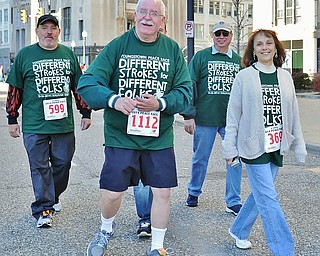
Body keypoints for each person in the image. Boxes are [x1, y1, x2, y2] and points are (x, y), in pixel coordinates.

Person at [77, 0, 192, 255]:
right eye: (142, 12)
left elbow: (185, 92)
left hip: (158, 138)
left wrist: (160, 103)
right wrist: (114, 100)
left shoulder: (172, 50)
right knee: (112, 194)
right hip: (122, 137)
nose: (147, 18)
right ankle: (105, 229)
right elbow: (87, 83)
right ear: (135, 16)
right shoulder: (119, 46)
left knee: (162, 193)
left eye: (154, 14)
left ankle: (157, 246)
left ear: (163, 20)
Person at [222, 29, 307, 255]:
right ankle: (283, 249)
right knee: (269, 198)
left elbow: (293, 113)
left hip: (276, 144)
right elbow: (233, 115)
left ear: (276, 47)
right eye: (259, 44)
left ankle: (239, 229)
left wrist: (299, 144)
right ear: (253, 50)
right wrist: (229, 147)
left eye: (268, 43)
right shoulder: (244, 76)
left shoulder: (285, 77)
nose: (264, 47)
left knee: (260, 193)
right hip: (253, 145)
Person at [5, 14, 92, 228]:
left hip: (63, 124)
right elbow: (15, 89)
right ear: (37, 31)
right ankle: (43, 208)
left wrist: (85, 112)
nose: (49, 32)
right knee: (39, 166)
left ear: (59, 32)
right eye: (45, 27)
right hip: (35, 124)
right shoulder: (26, 55)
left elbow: (77, 87)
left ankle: (53, 196)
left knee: (63, 163)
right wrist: (12, 117)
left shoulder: (68, 54)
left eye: (53, 28)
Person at [182, 20, 243, 215]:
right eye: (218, 34)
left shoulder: (238, 61)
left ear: (231, 36)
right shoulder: (201, 57)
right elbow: (190, 85)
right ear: (213, 36)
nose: (222, 37)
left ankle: (233, 200)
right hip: (205, 118)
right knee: (200, 158)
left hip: (231, 120)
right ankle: (193, 192)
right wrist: (189, 115)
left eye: (225, 34)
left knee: (234, 160)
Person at [133, 18, 167, 239]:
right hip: (133, 125)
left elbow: (182, 88)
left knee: (160, 182)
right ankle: (145, 217)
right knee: (141, 179)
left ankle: (157, 217)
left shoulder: (169, 52)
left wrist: (162, 103)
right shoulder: (126, 49)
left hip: (160, 129)